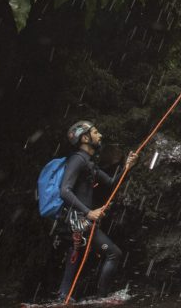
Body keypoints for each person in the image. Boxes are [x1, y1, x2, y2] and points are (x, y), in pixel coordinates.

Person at [56, 121, 138, 300]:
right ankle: (102, 299)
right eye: (95, 132)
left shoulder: (88, 162)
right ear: (85, 138)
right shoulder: (77, 159)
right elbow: (64, 190)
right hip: (78, 219)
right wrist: (88, 212)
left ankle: (64, 295)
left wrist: (127, 168)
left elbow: (110, 184)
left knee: (75, 253)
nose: (100, 135)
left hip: (78, 219)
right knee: (113, 253)